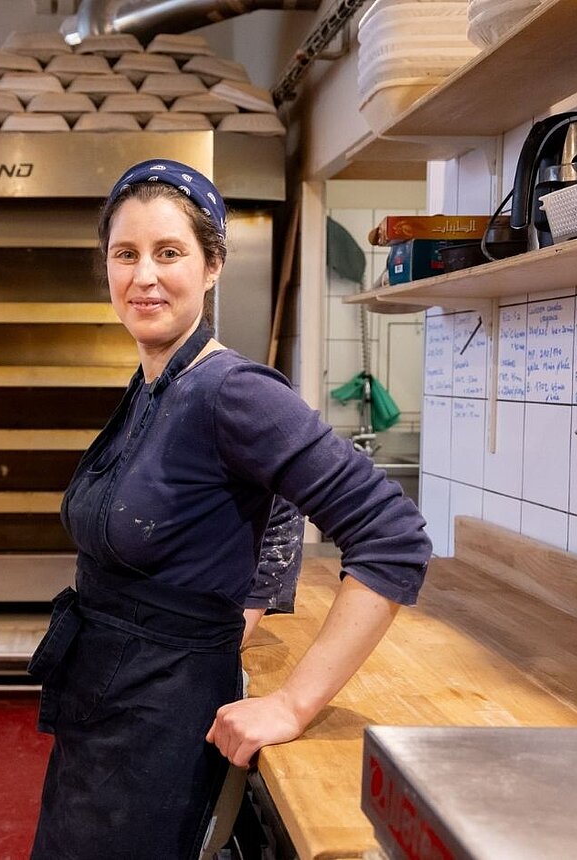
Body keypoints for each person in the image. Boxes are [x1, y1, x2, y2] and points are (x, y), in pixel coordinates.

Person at [27, 159, 431, 859]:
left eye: (169, 253)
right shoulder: (154, 382)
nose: (143, 277)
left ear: (212, 265)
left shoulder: (234, 392)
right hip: (103, 708)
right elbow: (261, 506)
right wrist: (245, 603)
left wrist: (294, 702)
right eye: (125, 254)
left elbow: (392, 536)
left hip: (162, 724)